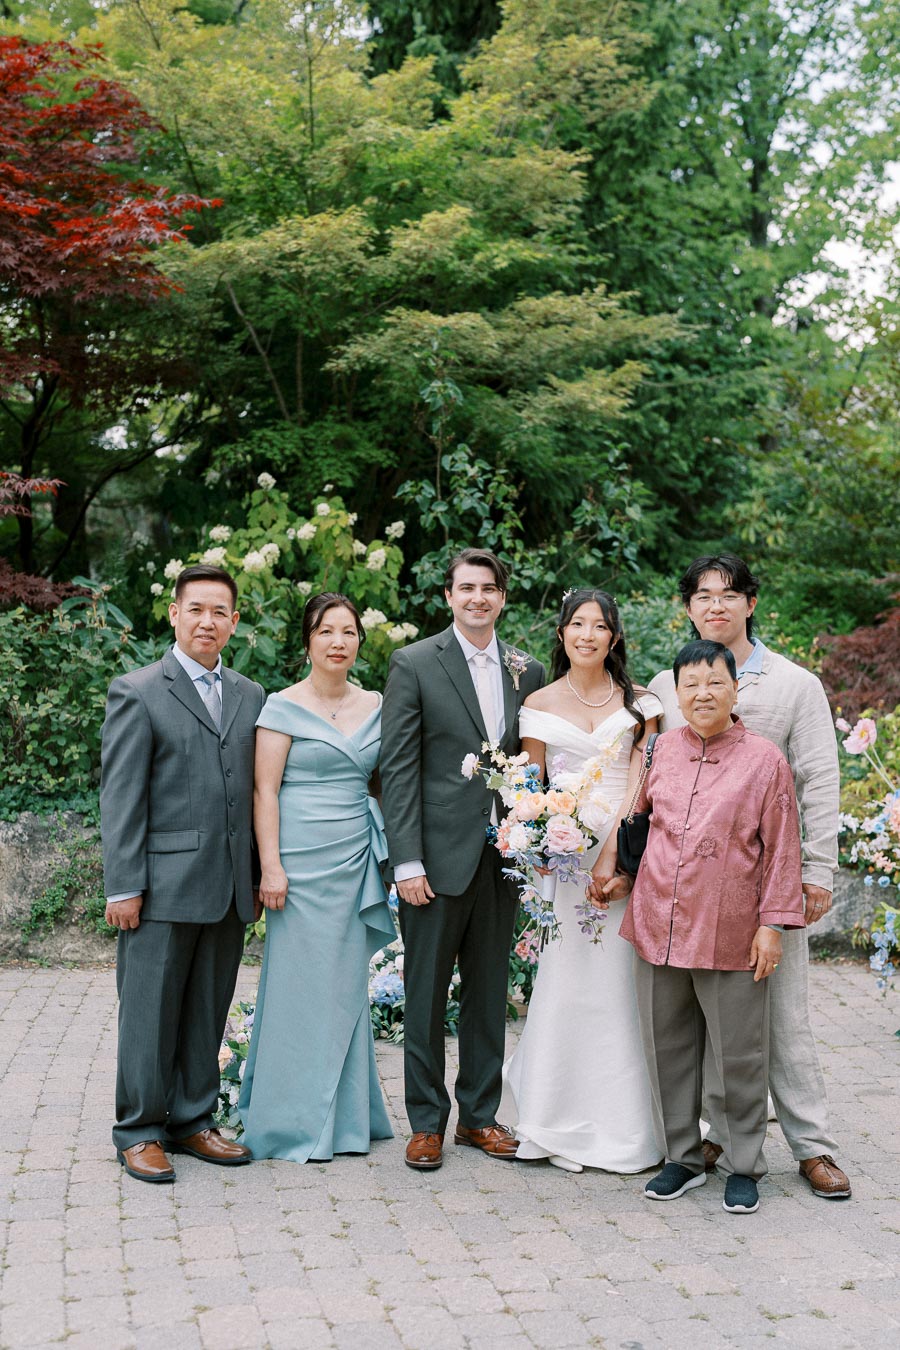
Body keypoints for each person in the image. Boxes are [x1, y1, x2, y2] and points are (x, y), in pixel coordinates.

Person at [648, 554, 850, 1200]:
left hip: (768, 887)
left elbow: (819, 779)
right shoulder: (667, 681)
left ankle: (810, 1144)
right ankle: (716, 1137)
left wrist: (815, 875)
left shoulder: (794, 684)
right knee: (702, 1024)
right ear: (688, 608)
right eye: (703, 596)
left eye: (729, 595)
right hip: (688, 894)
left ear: (751, 603)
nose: (716, 605)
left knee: (779, 1020)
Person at [623, 639, 806, 1214]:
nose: (703, 693)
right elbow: (638, 822)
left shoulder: (764, 759)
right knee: (667, 1046)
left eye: (714, 682)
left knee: (739, 1054)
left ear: (734, 689)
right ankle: (682, 1156)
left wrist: (773, 925)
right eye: (691, 684)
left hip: (730, 927)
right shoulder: (661, 752)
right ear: (676, 693)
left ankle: (745, 1162)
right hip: (658, 920)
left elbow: (781, 850)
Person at [380, 548, 545, 1170]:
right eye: (466, 588)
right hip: (433, 858)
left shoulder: (525, 671)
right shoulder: (415, 663)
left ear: (503, 597)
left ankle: (480, 1116)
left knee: (489, 990)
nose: (478, 598)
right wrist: (406, 861)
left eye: (489, 589)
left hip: (503, 856)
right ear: (448, 596)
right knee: (423, 993)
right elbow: (398, 770)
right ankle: (426, 1122)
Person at [101, 564, 265, 1183]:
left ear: (234, 621)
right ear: (174, 614)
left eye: (219, 611)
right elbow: (121, 798)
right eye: (196, 609)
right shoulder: (138, 690)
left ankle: (194, 1120)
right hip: (161, 886)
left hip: (228, 885)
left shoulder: (251, 695)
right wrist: (123, 885)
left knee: (207, 1008)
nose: (207, 621)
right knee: (148, 1012)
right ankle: (139, 1130)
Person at [502, 588, 663, 1174]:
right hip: (564, 862)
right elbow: (531, 783)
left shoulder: (642, 704)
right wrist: (541, 834)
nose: (588, 635)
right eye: (577, 624)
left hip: (622, 856)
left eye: (599, 626)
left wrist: (614, 857)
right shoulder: (539, 702)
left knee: (620, 982)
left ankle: (628, 1121)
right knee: (567, 977)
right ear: (563, 633)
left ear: (614, 637)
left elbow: (640, 785)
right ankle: (550, 1111)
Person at [238, 593, 396, 1162]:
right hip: (299, 863)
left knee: (346, 985)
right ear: (307, 639)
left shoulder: (378, 703)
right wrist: (271, 866)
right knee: (297, 988)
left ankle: (350, 1120)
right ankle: (287, 1121)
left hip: (354, 855)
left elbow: (388, 780)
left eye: (349, 632)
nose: (338, 641)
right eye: (326, 631)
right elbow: (265, 792)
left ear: (359, 641)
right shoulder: (280, 706)